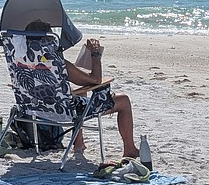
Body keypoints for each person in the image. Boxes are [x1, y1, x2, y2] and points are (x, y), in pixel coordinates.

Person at [26, 20, 139, 158]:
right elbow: (96, 79)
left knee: (78, 91)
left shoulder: (20, 60)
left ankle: (78, 143)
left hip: (35, 107)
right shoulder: (55, 62)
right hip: (65, 110)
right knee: (124, 101)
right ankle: (130, 150)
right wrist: (95, 53)